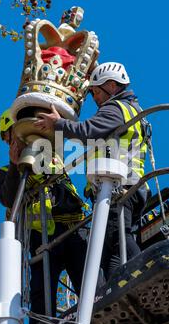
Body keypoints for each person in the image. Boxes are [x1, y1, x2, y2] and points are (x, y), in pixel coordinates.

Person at [34, 62, 149, 281]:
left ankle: (127, 285)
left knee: (117, 242)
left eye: (96, 91)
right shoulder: (132, 110)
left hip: (117, 187)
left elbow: (87, 131)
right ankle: (122, 284)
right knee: (112, 245)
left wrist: (59, 124)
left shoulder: (115, 109)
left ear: (112, 86)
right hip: (130, 187)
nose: (94, 99)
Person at [0, 109, 88, 324]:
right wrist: (14, 165)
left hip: (72, 229)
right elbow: (9, 198)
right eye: (10, 135)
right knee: (41, 292)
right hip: (41, 237)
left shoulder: (53, 155)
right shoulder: (5, 171)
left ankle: (98, 316)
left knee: (89, 282)